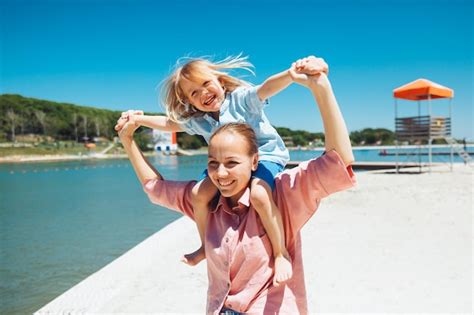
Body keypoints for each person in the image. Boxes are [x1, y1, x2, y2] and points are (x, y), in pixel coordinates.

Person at [116, 56, 356, 314]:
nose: (203, 94)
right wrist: (134, 129)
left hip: (268, 157)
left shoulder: (241, 102)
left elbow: (266, 88)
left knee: (261, 194)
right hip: (221, 307)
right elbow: (168, 130)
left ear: (219, 80)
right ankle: (204, 245)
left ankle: (279, 253)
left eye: (206, 84)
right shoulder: (203, 124)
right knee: (198, 193)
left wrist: (298, 78)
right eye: (194, 93)